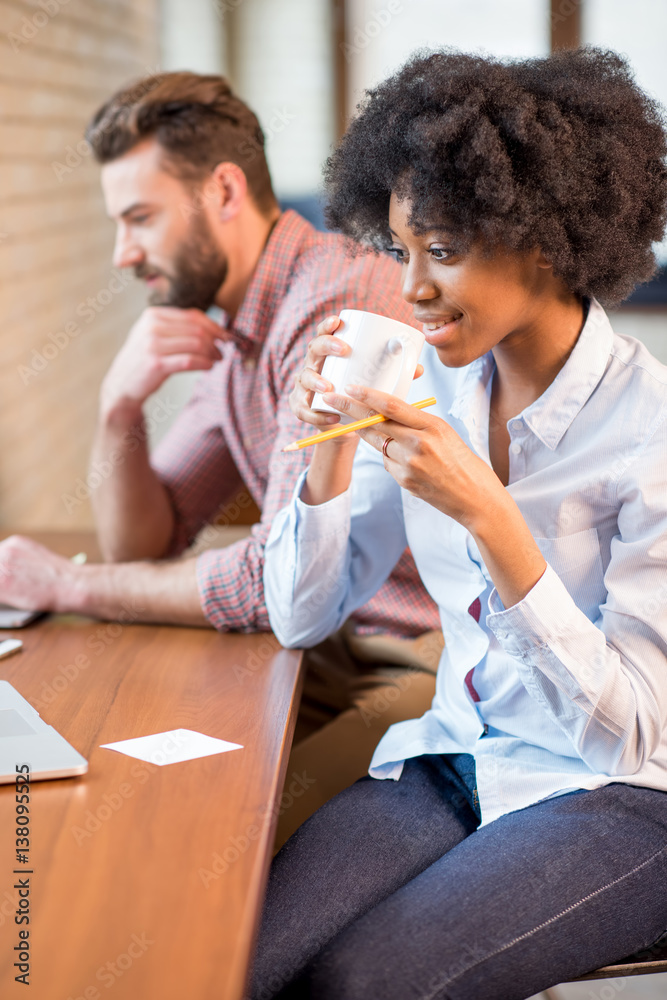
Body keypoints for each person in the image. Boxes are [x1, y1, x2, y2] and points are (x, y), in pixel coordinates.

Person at [252, 47, 667, 998]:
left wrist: (489, 516)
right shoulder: (426, 381)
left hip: (616, 797)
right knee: (242, 959)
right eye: (401, 251)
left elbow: (628, 736)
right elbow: (300, 618)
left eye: (442, 252)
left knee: (364, 984)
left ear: (550, 241)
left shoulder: (646, 431)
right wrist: (325, 448)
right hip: (454, 758)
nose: (409, 291)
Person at [0, 72, 443, 841]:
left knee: (219, 840)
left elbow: (264, 586)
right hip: (313, 648)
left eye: (139, 218)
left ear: (224, 192)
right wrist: (118, 408)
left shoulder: (335, 311)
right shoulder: (240, 326)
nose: (121, 254)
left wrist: (64, 582)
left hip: (413, 663)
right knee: (117, 789)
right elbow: (146, 543)